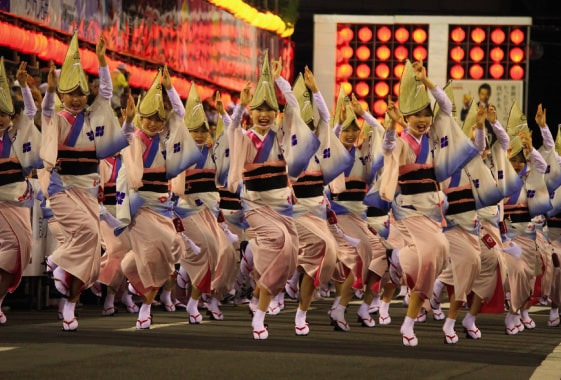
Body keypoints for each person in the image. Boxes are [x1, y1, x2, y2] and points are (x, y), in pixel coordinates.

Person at [382, 59, 478, 346]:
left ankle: (402, 268)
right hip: (409, 213)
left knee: (436, 255)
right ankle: (410, 319)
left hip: (434, 215)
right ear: (406, 117)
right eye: (416, 115)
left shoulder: (435, 139)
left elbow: (446, 107)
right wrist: (390, 126)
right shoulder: (401, 143)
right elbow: (387, 147)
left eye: (426, 114)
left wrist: (428, 83)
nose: (423, 120)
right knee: (438, 248)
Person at [40, 33, 128, 331]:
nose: (76, 98)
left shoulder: (93, 117)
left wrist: (102, 60)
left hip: (89, 192)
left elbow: (105, 92)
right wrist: (49, 92)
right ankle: (57, 260)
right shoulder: (58, 118)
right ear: (63, 95)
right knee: (90, 232)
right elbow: (46, 111)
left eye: (80, 92)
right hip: (62, 188)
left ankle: (69, 304)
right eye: (70, 93)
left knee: (92, 252)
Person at [226, 52, 317, 339]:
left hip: (283, 208)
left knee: (291, 252)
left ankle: (258, 300)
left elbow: (295, 110)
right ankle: (259, 313)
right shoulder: (243, 137)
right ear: (252, 112)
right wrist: (240, 107)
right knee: (279, 240)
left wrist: (280, 81)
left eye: (269, 109)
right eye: (258, 109)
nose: (264, 114)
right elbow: (231, 128)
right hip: (255, 207)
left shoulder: (280, 136)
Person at [117, 66, 202, 329]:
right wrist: (129, 121)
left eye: (158, 119)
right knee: (155, 253)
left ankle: (130, 271)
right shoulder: (135, 139)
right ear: (142, 118)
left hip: (163, 207)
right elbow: (123, 141)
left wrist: (170, 88)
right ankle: (145, 307)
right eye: (148, 118)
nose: (153, 123)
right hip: (141, 208)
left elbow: (180, 115)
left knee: (167, 249)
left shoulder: (166, 142)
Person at [171, 83, 238, 324]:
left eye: (203, 130)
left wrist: (223, 115)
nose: (199, 135)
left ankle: (211, 298)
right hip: (187, 210)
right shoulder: (178, 151)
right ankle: (192, 297)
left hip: (211, 211)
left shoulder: (213, 151)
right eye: (194, 130)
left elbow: (234, 135)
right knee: (208, 248)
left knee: (229, 253)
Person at [0, 59, 43, 325]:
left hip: (16, 200)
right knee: (13, 248)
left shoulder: (17, 135)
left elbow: (31, 110)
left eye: (2, 114)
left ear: (10, 116)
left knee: (22, 252)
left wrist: (24, 86)